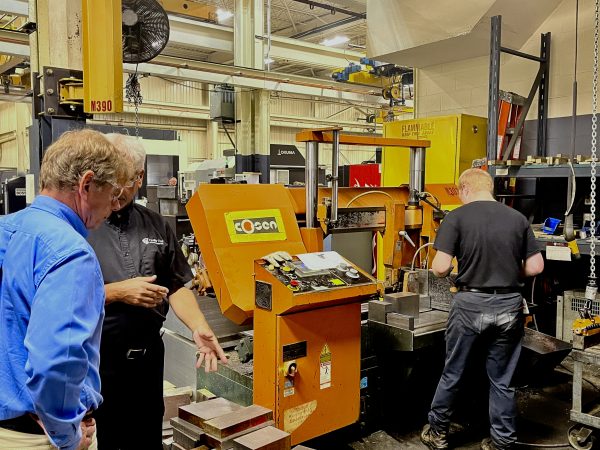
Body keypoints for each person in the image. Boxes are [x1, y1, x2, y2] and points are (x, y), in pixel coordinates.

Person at [87, 133, 227, 450]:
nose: (116, 192)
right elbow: (61, 297)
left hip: (146, 363)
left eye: (123, 182)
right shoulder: (83, 224)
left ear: (139, 178)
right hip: (96, 363)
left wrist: (199, 327)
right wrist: (116, 292)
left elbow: (176, 284)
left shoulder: (156, 225)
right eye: (109, 181)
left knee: (146, 439)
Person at [0, 129, 132, 450]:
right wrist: (68, 437)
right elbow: (54, 366)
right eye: (112, 195)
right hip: (39, 436)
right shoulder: (71, 253)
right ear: (86, 185)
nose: (114, 207)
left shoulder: (7, 228)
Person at [420, 168, 544, 450]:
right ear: (489, 188)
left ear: (464, 189)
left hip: (470, 305)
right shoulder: (517, 218)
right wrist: (509, 274)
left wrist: (451, 266)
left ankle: (437, 433)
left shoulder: (457, 217)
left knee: (453, 373)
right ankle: (502, 442)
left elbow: (440, 267)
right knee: (502, 380)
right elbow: (536, 266)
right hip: (509, 305)